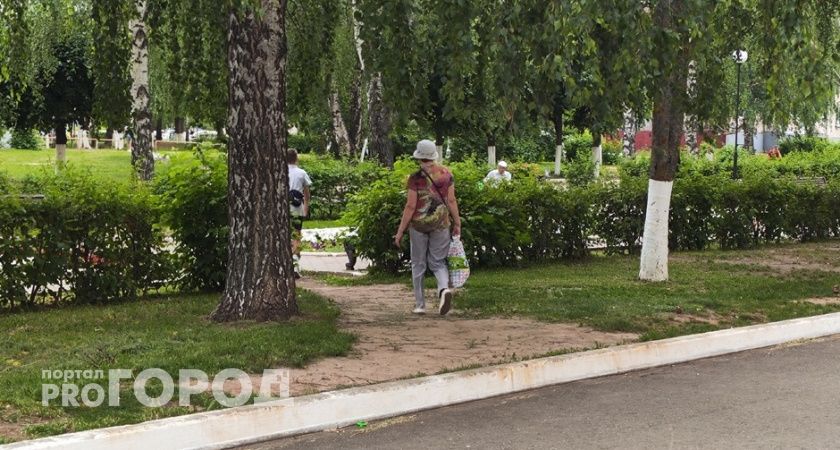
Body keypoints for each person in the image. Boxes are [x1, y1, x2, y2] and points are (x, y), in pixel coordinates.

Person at [394, 139, 462, 315]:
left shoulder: (415, 178)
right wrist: (457, 222)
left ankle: (420, 305)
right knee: (438, 262)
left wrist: (400, 231)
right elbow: (451, 200)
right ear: (434, 156)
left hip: (418, 226)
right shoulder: (447, 174)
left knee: (418, 264)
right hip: (441, 224)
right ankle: (443, 290)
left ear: (419, 157)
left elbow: (410, 206)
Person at [288, 149, 312, 278]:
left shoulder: (279, 171)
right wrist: (306, 208)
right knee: (296, 235)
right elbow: (307, 193)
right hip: (297, 209)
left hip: (283, 209)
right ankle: (295, 266)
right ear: (296, 158)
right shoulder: (301, 173)